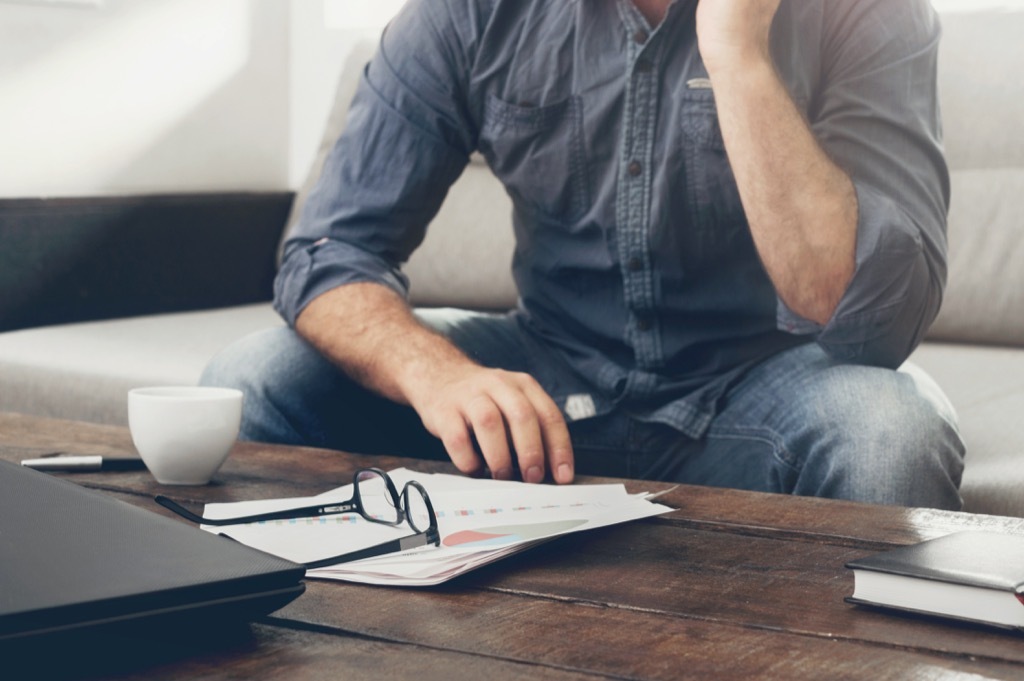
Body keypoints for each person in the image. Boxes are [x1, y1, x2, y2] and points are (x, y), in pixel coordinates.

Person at [203, 0, 965, 510]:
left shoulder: (866, 11)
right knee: (254, 379)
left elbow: (869, 320)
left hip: (760, 395)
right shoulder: (472, 11)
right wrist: (437, 373)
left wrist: (737, 53)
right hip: (549, 382)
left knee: (891, 432)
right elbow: (330, 249)